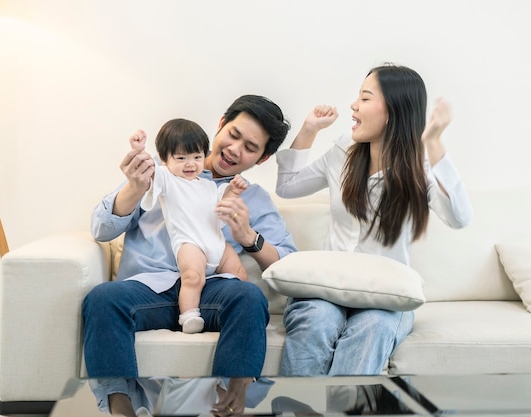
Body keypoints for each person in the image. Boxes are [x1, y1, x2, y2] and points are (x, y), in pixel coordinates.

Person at [83, 94, 294, 417]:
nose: (236, 149)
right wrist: (135, 187)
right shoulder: (161, 169)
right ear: (221, 124)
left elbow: (287, 268)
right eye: (234, 135)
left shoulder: (252, 197)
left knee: (249, 297)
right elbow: (101, 228)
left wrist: (247, 236)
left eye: (251, 148)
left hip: (210, 293)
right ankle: (120, 407)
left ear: (262, 159)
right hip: (148, 289)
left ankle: (230, 399)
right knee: (102, 299)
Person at [275, 64, 473, 376]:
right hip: (326, 290)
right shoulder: (343, 152)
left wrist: (433, 141)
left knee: (373, 327)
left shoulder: (419, 168)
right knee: (317, 321)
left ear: (393, 111)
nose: (353, 106)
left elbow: (460, 218)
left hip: (384, 297)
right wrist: (309, 129)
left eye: (365, 99)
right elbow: (287, 187)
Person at [129, 122, 247, 334]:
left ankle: (248, 304)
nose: (190, 164)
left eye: (197, 157)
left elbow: (222, 207)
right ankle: (189, 315)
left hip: (217, 243)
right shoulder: (167, 178)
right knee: (192, 277)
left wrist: (233, 192)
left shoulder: (209, 185)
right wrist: (139, 150)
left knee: (239, 272)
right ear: (165, 159)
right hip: (190, 245)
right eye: (181, 158)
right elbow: (147, 170)